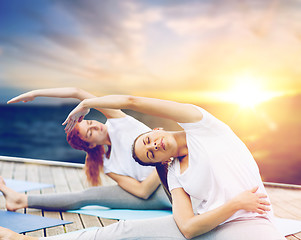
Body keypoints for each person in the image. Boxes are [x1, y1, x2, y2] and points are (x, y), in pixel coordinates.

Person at [0, 94, 285, 240]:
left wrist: (85, 102)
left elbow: (132, 101)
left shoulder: (205, 127)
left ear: (157, 129)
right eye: (150, 154)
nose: (154, 146)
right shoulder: (173, 173)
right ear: (159, 163)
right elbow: (186, 227)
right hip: (215, 221)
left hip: (253, 223)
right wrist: (234, 204)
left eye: (149, 140)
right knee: (123, 230)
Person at [0, 88, 171, 213]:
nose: (96, 126)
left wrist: (36, 94)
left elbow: (77, 92)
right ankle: (21, 200)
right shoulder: (109, 165)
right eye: (90, 133)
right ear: (90, 145)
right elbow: (142, 191)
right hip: (157, 192)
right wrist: (166, 161)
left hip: (175, 176)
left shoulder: (118, 121)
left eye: (90, 123)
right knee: (87, 195)